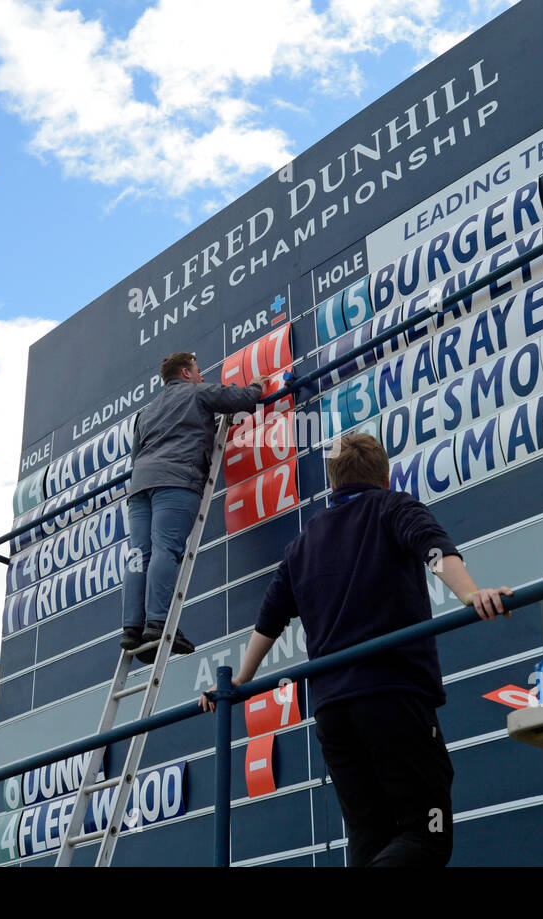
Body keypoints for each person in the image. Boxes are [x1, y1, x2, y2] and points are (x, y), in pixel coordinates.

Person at [200, 432, 513, 866]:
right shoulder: (393, 506)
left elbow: (271, 617)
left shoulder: (303, 542)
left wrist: (240, 681)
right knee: (429, 834)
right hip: (394, 698)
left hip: (333, 713)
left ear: (332, 483)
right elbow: (433, 549)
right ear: (385, 476)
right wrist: (471, 594)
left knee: (369, 840)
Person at [122, 352, 267, 663]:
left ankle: (132, 628)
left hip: (140, 486)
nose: (202, 377)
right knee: (167, 549)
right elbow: (240, 399)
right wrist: (256, 386)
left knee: (138, 554)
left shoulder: (145, 413)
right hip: (176, 480)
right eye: (199, 371)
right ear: (186, 372)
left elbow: (135, 457)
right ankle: (158, 624)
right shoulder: (197, 392)